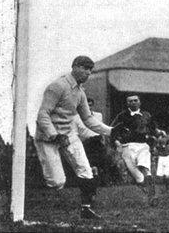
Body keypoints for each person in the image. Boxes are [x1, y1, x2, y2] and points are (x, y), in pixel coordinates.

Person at [34, 56, 124, 219]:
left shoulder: (80, 93)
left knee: (87, 172)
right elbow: (43, 114)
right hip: (47, 137)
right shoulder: (57, 86)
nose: (88, 72)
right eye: (85, 68)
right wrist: (54, 135)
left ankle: (86, 209)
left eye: (90, 69)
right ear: (75, 67)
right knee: (57, 182)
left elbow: (88, 119)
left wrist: (110, 131)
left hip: (68, 135)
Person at [110, 94, 164, 206]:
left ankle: (152, 197)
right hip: (127, 147)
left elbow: (153, 129)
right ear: (127, 103)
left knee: (145, 168)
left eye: (135, 100)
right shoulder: (122, 116)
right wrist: (116, 142)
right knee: (138, 176)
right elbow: (113, 130)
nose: (133, 103)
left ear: (140, 102)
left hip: (143, 145)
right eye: (130, 101)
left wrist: (159, 132)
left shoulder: (146, 115)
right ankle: (147, 193)